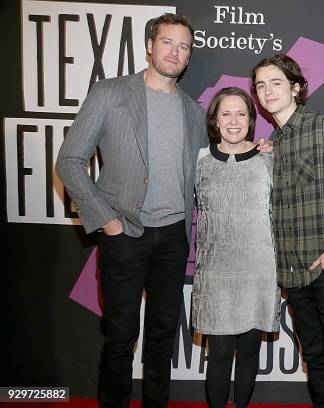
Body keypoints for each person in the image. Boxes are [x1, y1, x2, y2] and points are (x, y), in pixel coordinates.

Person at [56, 13, 204, 408]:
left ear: (189, 57)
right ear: (150, 45)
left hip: (173, 238)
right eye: (168, 42)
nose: (175, 51)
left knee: (162, 335)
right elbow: (70, 160)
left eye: (184, 46)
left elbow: (209, 169)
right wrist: (107, 220)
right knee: (120, 337)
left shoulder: (193, 111)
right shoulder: (110, 93)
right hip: (125, 235)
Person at [251, 54, 324, 408]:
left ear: (296, 87)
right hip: (294, 273)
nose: (267, 91)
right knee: (315, 361)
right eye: (260, 86)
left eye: (276, 82)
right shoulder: (272, 145)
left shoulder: (323, 126)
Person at [191, 87, 280, 408]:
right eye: (225, 113)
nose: (233, 120)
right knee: (220, 354)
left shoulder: (269, 157)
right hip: (216, 272)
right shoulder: (199, 158)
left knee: (249, 352)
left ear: (252, 120)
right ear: (214, 119)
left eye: (241, 113)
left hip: (258, 269)